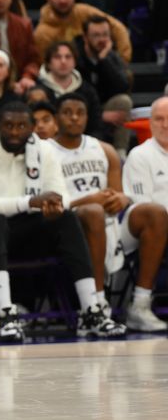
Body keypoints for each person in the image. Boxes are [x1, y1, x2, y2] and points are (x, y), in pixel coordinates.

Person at [0, 101, 126, 342]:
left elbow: (60, 195)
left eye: (22, 126)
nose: (15, 131)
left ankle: (91, 310)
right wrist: (29, 202)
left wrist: (54, 206)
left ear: (33, 128)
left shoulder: (44, 150)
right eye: (9, 125)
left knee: (65, 218)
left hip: (20, 231)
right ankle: (5, 315)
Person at [52, 93, 168, 332]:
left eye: (80, 113)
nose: (74, 118)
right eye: (158, 119)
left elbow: (120, 196)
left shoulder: (103, 150)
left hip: (111, 224)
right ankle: (106, 306)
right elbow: (49, 201)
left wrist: (119, 198)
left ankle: (126, 305)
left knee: (137, 213)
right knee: (98, 211)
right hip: (71, 224)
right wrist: (91, 200)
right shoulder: (46, 151)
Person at [73, 15, 132, 155]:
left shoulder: (110, 55)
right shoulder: (75, 57)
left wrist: (104, 60)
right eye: (96, 35)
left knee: (123, 101)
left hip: (103, 106)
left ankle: (120, 155)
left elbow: (123, 87)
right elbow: (76, 95)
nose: (102, 39)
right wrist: (100, 115)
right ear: (85, 37)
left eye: (105, 34)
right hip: (82, 110)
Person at [34, 0, 131, 63]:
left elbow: (118, 28)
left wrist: (122, 62)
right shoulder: (42, 33)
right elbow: (43, 65)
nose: (62, 0)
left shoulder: (84, 12)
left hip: (95, 69)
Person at [33, 41, 103, 138]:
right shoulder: (38, 91)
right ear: (48, 63)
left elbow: (96, 125)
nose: (63, 61)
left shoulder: (87, 91)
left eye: (68, 57)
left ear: (75, 62)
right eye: (57, 57)